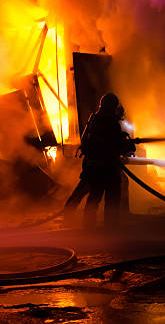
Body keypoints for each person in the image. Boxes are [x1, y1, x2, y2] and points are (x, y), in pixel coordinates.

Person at [64, 93, 135, 228]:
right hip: (106, 168)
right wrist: (127, 145)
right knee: (110, 199)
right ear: (112, 106)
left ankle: (86, 225)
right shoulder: (109, 123)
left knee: (92, 197)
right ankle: (108, 227)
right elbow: (114, 144)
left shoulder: (95, 119)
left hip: (94, 167)